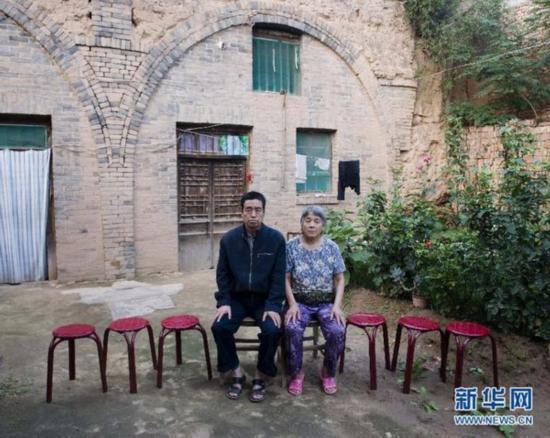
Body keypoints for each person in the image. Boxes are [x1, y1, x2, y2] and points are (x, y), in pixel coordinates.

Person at [211, 191, 286, 402]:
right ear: (242, 212)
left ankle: (261, 374)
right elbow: (222, 274)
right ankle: (236, 372)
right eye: (249, 210)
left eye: (258, 210)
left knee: (273, 329)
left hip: (264, 300)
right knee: (219, 327)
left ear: (263, 212)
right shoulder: (229, 240)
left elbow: (279, 276)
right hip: (237, 299)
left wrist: (273, 305)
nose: (253, 214)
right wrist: (224, 302)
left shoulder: (276, 239)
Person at [285, 205, 346, 395]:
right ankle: (296, 374)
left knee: (337, 330)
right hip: (299, 302)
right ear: (301, 224)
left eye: (316, 221)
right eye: (308, 220)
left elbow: (340, 279)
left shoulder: (331, 247)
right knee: (292, 328)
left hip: (326, 302)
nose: (312, 225)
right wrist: (292, 304)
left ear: (323, 225)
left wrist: (337, 306)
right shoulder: (291, 247)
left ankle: (327, 372)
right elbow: (285, 278)